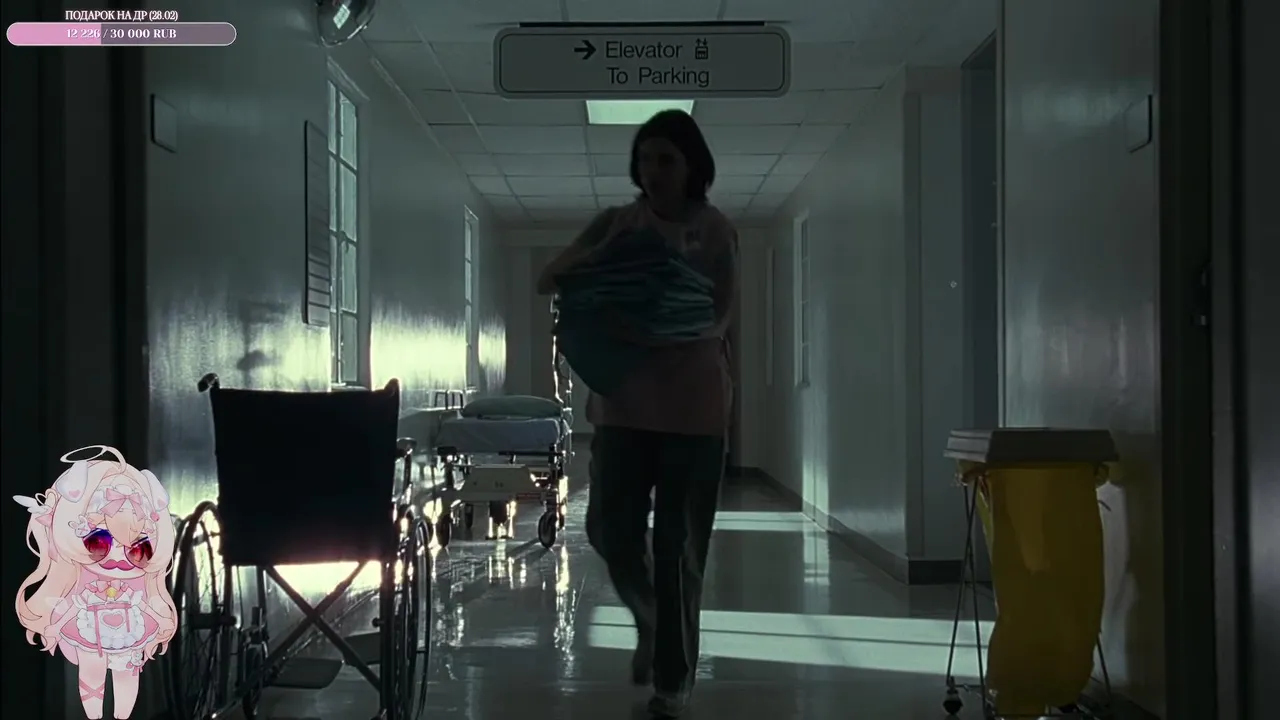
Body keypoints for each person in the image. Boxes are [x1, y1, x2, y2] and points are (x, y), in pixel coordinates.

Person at [536, 109, 737, 718]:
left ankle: (672, 683)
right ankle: (650, 618)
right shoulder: (614, 223)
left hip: (693, 412)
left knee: (679, 549)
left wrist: (645, 319)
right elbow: (549, 278)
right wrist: (603, 269)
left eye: (666, 159)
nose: (654, 171)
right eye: (646, 159)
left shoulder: (715, 231)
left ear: (692, 166)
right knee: (609, 529)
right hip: (623, 407)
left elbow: (718, 316)